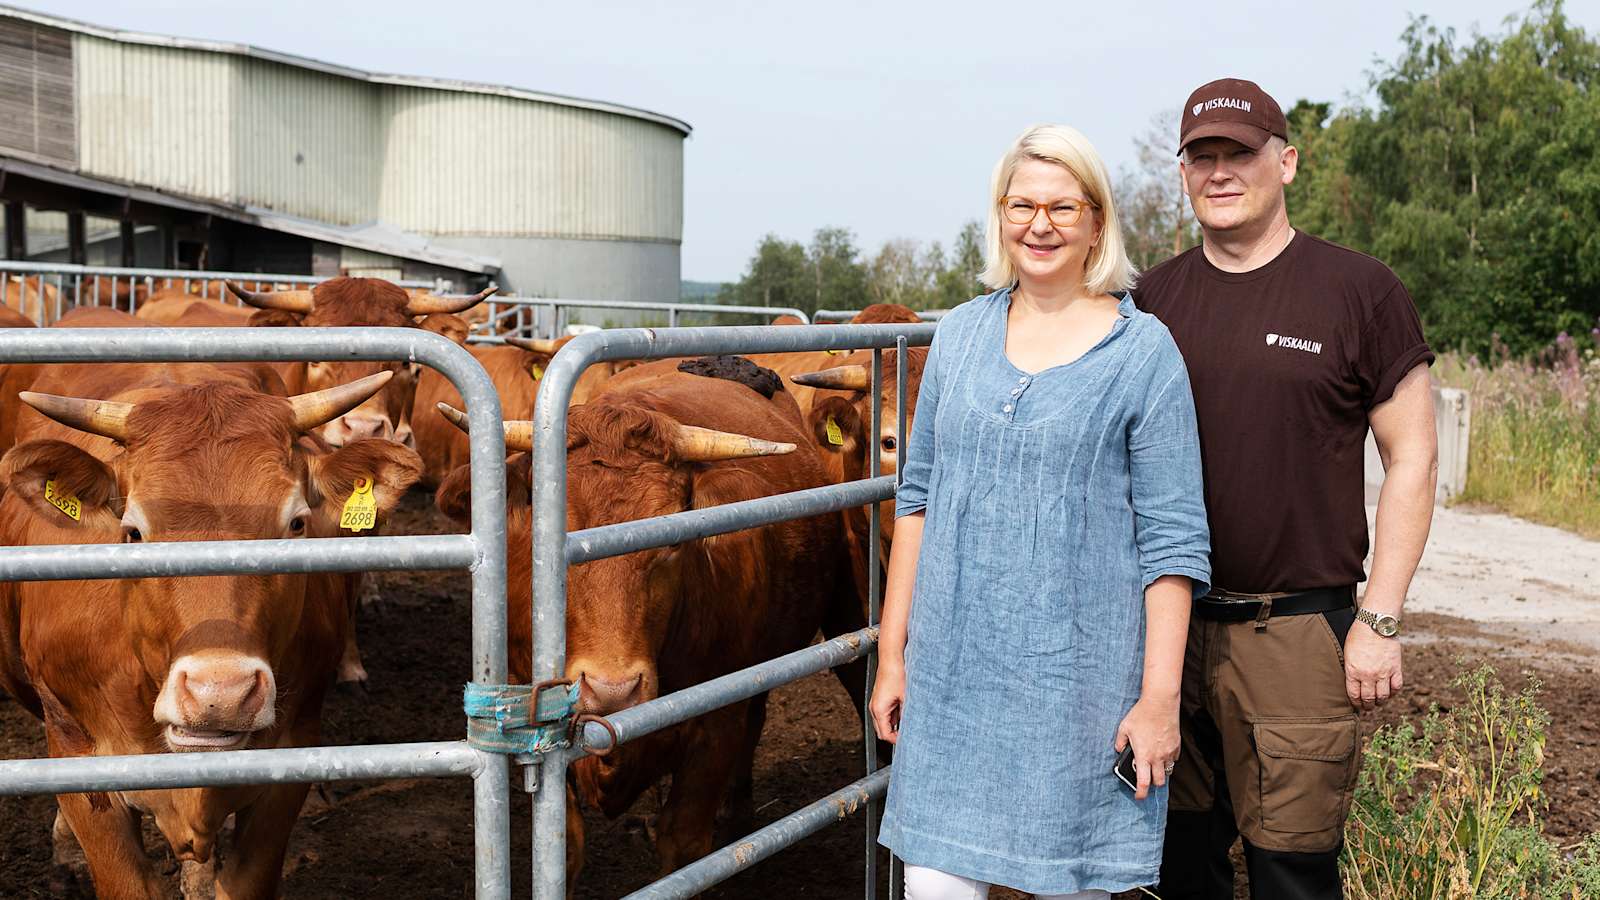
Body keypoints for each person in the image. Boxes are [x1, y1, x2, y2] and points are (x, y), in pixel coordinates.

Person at [870, 123, 1212, 900]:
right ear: (1000, 217)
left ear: (1097, 222)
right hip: (953, 685)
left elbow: (1174, 544)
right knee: (934, 886)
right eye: (1021, 204)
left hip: (1078, 700)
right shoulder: (956, 337)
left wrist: (1159, 700)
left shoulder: (1144, 354)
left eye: (1063, 206)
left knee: (1073, 883)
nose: (1040, 224)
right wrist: (894, 655)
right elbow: (915, 503)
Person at [1134, 78, 1438, 900]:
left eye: (1242, 152)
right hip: (1166, 628)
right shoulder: (1149, 301)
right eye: (1203, 156)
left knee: (1292, 872)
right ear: (1184, 173)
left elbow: (1412, 458)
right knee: (1171, 865)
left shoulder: (1359, 292)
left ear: (1288, 161)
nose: (1221, 172)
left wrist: (1378, 618)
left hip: (1297, 631)